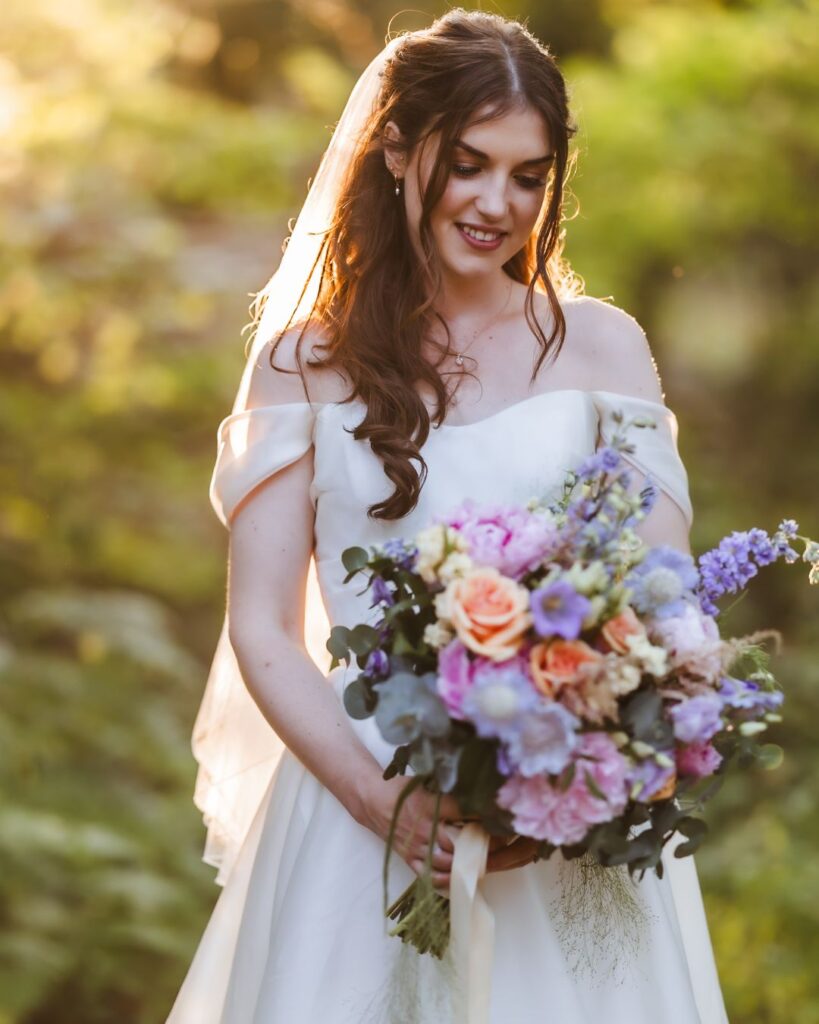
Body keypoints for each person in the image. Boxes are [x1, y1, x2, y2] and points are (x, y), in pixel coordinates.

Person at [167, 9, 729, 1022]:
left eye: (528, 175)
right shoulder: (301, 364)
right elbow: (263, 625)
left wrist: (614, 755)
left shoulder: (605, 350)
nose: (497, 203)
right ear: (395, 148)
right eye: (468, 163)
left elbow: (669, 593)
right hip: (363, 806)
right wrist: (377, 799)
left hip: (566, 828)